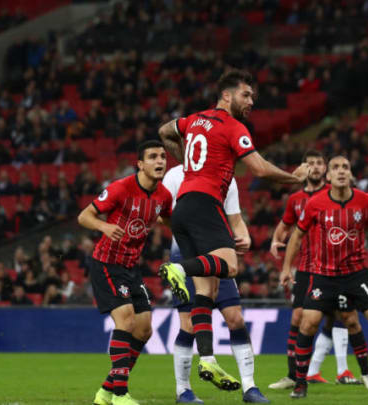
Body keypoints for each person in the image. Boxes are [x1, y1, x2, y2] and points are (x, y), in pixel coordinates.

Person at [157, 69, 309, 389]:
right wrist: (296, 179)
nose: (251, 101)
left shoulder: (193, 120)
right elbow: (260, 169)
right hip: (204, 205)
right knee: (229, 265)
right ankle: (178, 268)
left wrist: (188, 161)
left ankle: (208, 359)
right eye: (246, 95)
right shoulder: (232, 126)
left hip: (183, 208)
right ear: (226, 96)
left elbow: (164, 130)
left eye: (252, 96)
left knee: (206, 291)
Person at [280, 155, 368, 399]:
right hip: (323, 275)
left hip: (356, 274)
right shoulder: (315, 203)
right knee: (308, 323)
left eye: (345, 167)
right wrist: (286, 268)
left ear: (350, 174)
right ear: (328, 176)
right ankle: (300, 383)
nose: (341, 171)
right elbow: (297, 236)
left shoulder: (365, 201)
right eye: (336, 168)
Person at [162, 165, 269, 403]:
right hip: (186, 253)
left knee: (235, 318)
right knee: (188, 325)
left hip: (217, 253)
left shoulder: (226, 178)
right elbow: (164, 213)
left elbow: (235, 218)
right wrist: (194, 235)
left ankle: (250, 388)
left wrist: (245, 236)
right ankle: (183, 390)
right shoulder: (175, 175)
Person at [78, 140, 173, 405]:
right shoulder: (121, 188)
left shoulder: (164, 195)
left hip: (132, 267)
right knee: (126, 320)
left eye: (163, 156)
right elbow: (84, 216)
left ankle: (106, 391)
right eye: (153, 157)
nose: (160, 161)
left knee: (144, 330)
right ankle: (120, 395)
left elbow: (167, 217)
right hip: (107, 264)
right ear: (140, 164)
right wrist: (104, 227)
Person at [268, 150, 367, 389]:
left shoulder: (332, 195)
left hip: (333, 269)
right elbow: (284, 227)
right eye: (309, 163)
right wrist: (275, 241)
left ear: (326, 169)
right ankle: (295, 375)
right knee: (299, 317)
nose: (314, 167)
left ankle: (336, 370)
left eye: (318, 163)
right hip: (306, 268)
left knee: (341, 317)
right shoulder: (295, 200)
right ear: (304, 166)